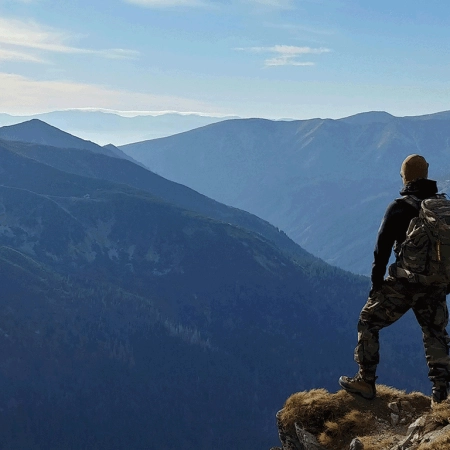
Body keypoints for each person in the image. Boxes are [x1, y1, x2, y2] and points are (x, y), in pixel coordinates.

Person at [339, 154, 450, 404]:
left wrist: (376, 286)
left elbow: (382, 249)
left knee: (368, 321)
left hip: (404, 284)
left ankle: (366, 381)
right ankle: (441, 394)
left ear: (406, 176)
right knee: (436, 334)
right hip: (435, 285)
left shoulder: (399, 207)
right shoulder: (442, 209)